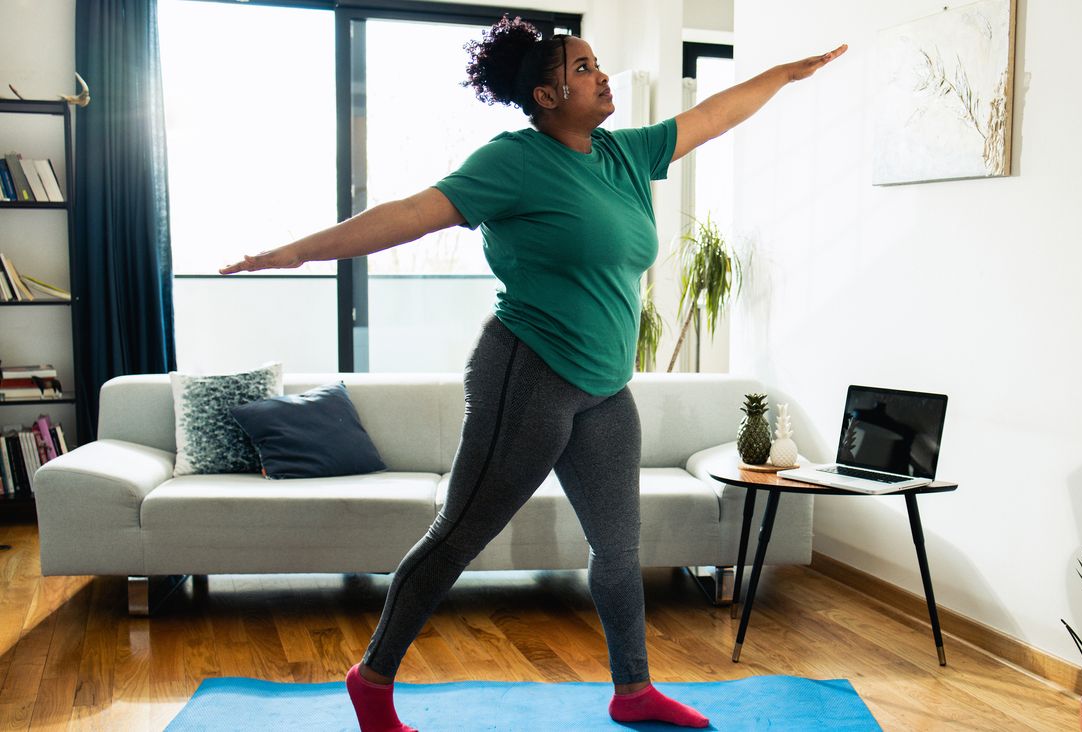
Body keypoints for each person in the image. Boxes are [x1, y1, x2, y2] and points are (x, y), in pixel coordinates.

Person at [220, 15, 845, 732]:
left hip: (606, 388)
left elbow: (711, 116)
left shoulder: (622, 154)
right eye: (583, 68)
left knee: (617, 545)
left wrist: (784, 75)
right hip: (529, 373)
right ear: (546, 95)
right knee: (458, 535)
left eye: (595, 62)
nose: (601, 75)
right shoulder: (512, 162)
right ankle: (373, 678)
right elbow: (412, 214)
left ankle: (633, 691)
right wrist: (294, 253)